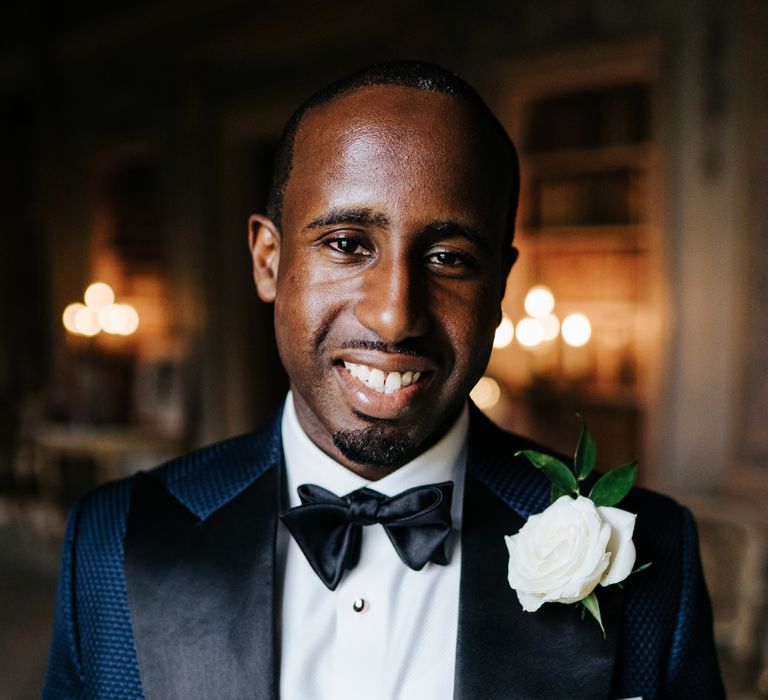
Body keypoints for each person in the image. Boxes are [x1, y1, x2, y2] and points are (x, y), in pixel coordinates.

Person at [43, 60, 724, 699]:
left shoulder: (650, 556)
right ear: (268, 260)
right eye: (346, 244)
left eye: (450, 257)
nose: (396, 316)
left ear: (499, 289)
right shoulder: (113, 540)